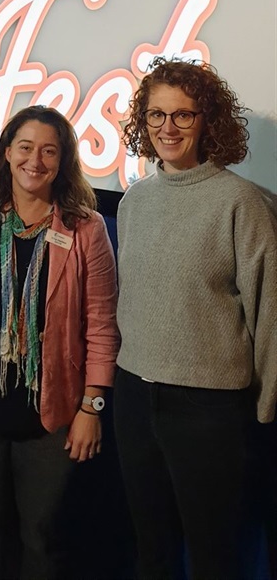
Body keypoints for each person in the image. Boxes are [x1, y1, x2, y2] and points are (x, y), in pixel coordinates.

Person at [114, 58, 277, 580]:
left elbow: (270, 313)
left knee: (213, 559)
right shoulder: (134, 201)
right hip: (135, 397)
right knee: (151, 550)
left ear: (208, 121)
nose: (167, 128)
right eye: (156, 115)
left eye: (182, 116)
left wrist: (268, 411)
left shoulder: (243, 203)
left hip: (208, 410)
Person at [0, 104, 118, 580]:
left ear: (63, 162)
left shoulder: (85, 228)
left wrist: (92, 407)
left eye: (48, 151)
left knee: (44, 545)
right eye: (24, 147)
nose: (34, 160)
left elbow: (101, 324)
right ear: (5, 152)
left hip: (53, 418)